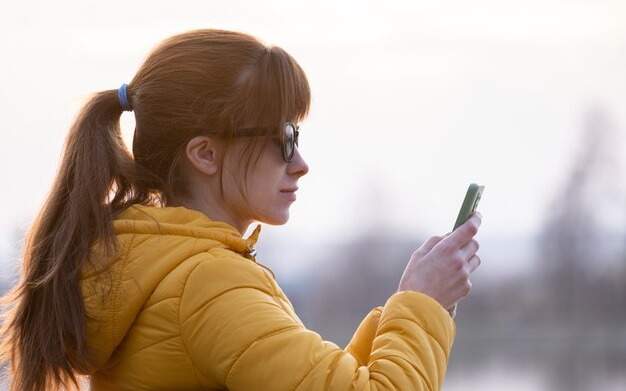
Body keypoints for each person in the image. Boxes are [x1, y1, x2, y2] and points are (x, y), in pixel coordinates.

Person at [0, 29, 481, 391]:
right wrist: (423, 305)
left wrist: (413, 303)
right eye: (284, 139)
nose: (301, 164)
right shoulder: (208, 285)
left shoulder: (157, 268)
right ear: (205, 154)